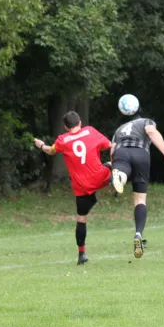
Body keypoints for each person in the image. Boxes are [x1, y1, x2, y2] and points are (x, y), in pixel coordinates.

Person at [33, 111, 112, 265]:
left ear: (65, 126)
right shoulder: (90, 131)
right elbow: (110, 145)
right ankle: (118, 178)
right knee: (112, 165)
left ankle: (82, 254)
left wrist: (41, 145)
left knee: (81, 219)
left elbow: (50, 151)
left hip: (82, 185)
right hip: (100, 176)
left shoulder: (63, 140)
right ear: (80, 122)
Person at [110, 112, 164, 259]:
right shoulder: (146, 121)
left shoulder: (119, 129)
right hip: (141, 154)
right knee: (140, 200)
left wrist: (114, 164)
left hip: (121, 152)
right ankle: (138, 234)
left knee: (122, 172)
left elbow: (112, 150)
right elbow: (151, 131)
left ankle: (119, 178)